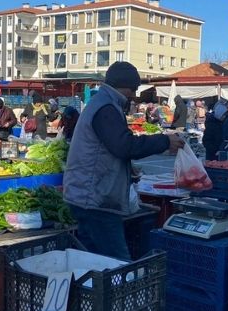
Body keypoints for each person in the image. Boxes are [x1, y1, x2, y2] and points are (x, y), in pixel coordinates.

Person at [64, 61, 184, 261]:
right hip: (94, 199)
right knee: (117, 262)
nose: (134, 95)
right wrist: (164, 141)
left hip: (86, 195)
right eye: (134, 89)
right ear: (125, 86)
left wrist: (126, 169)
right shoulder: (106, 107)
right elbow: (124, 145)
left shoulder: (102, 103)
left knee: (93, 261)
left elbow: (109, 148)